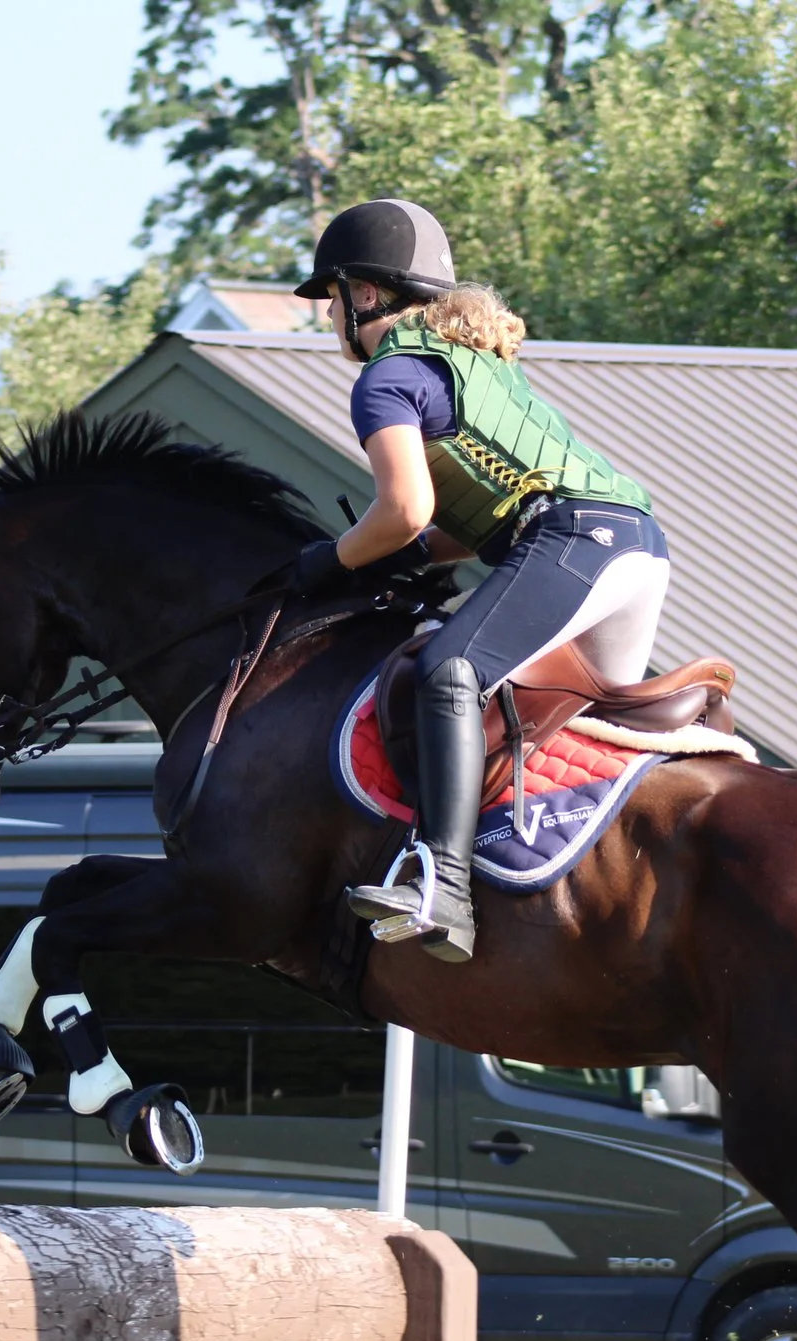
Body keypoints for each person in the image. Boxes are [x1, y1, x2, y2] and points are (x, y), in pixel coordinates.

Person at [290, 199, 672, 964]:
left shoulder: (389, 377)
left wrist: (330, 561)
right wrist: (412, 556)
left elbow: (403, 509)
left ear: (365, 295)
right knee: (560, 730)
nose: (331, 315)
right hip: (637, 546)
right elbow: (464, 521)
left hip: (575, 542)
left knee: (448, 670)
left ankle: (445, 887)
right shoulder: (479, 368)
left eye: (333, 297)